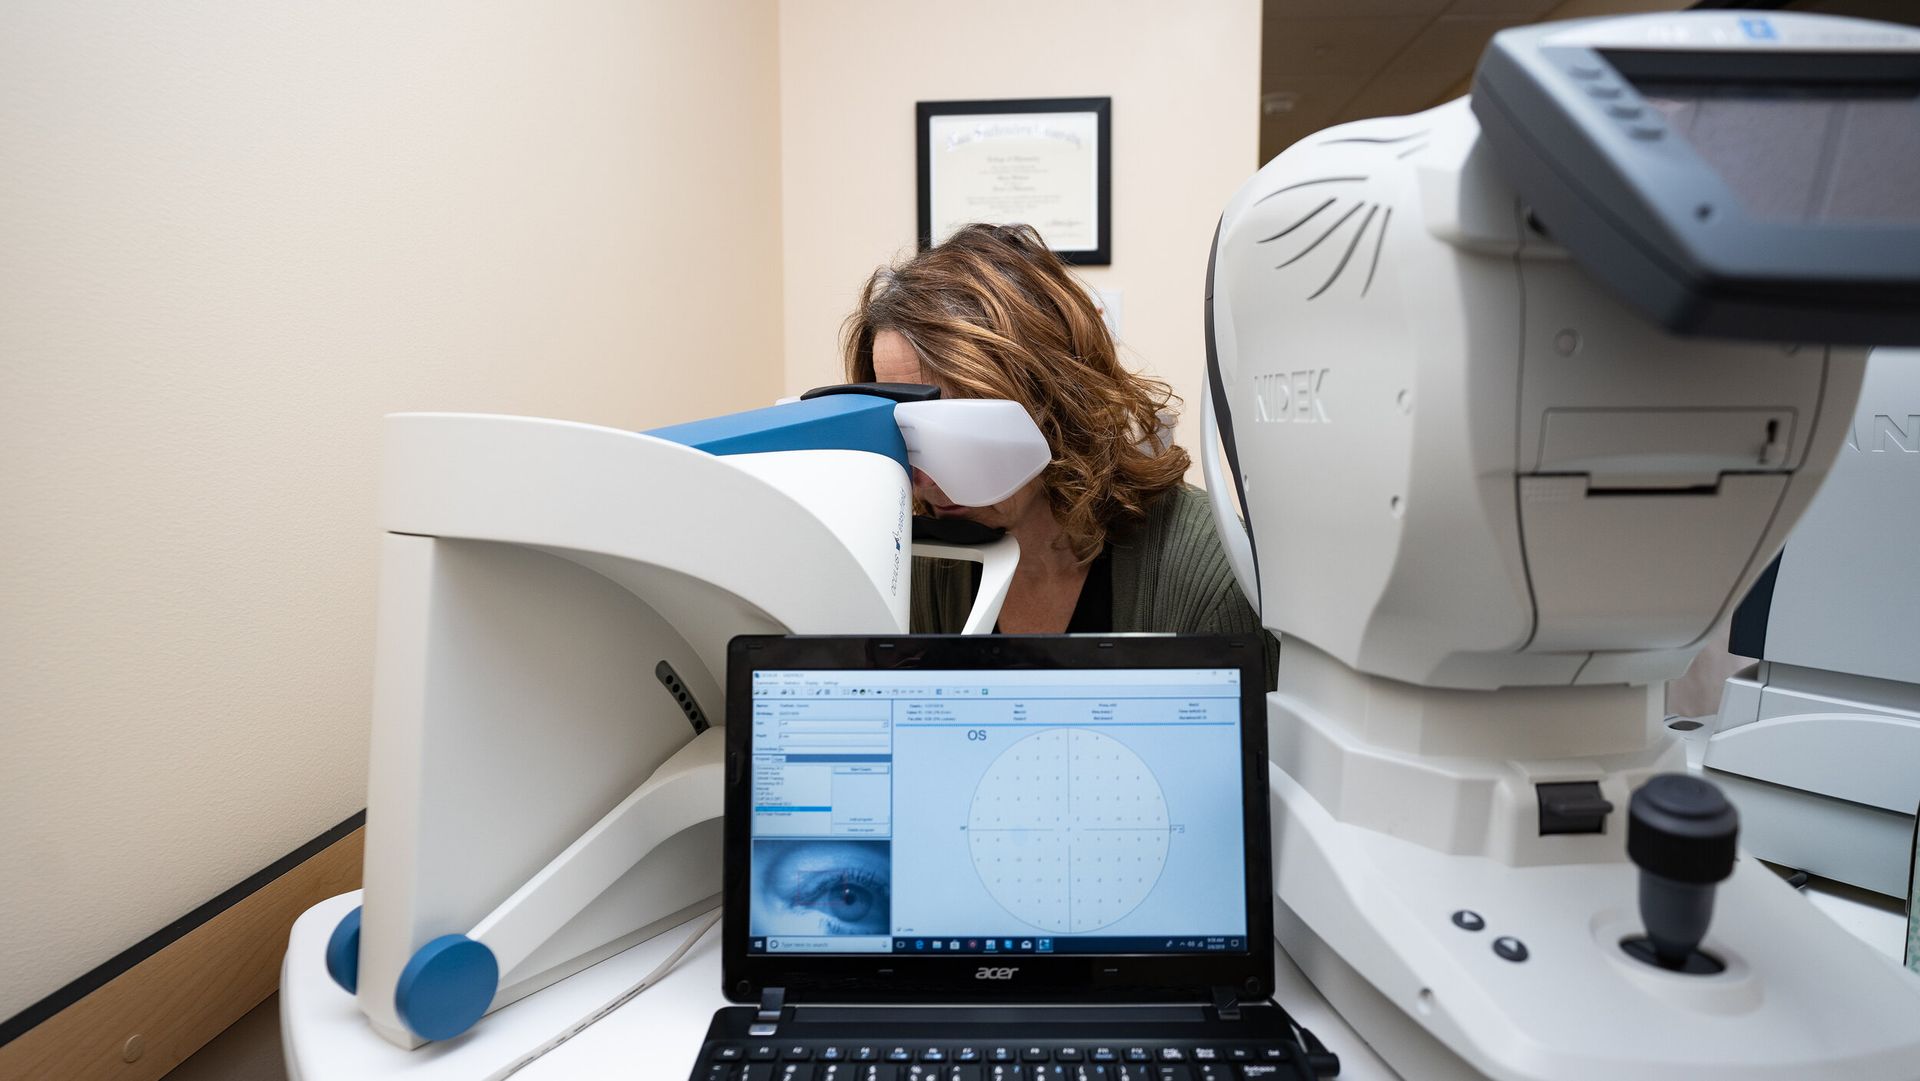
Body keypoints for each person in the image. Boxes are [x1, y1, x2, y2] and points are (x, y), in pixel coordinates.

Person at [841, 223, 1261, 639]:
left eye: (954, 435)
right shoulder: (921, 565)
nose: (924, 480)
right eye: (905, 434)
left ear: (1054, 405)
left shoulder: (1206, 569)